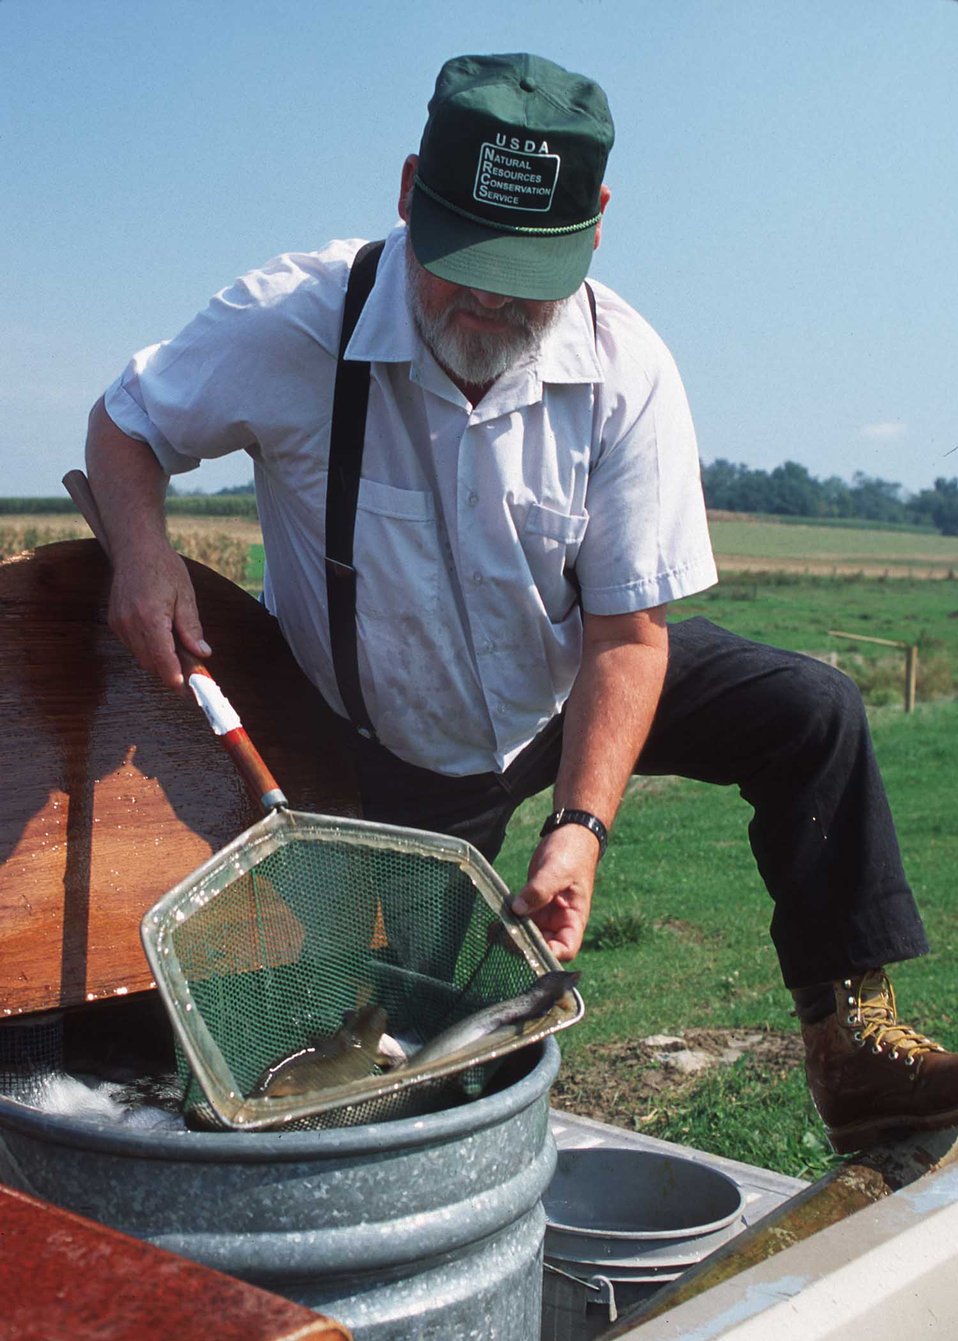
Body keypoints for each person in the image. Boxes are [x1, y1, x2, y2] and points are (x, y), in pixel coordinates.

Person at [85, 51, 958, 1155]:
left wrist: (581, 829)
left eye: (523, 270)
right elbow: (125, 427)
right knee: (400, 1045)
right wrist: (142, 550)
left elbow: (627, 638)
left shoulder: (627, 370)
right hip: (388, 746)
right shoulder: (294, 322)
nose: (490, 300)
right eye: (458, 264)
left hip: (562, 690)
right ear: (409, 195)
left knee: (811, 713)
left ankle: (851, 1048)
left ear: (595, 224)